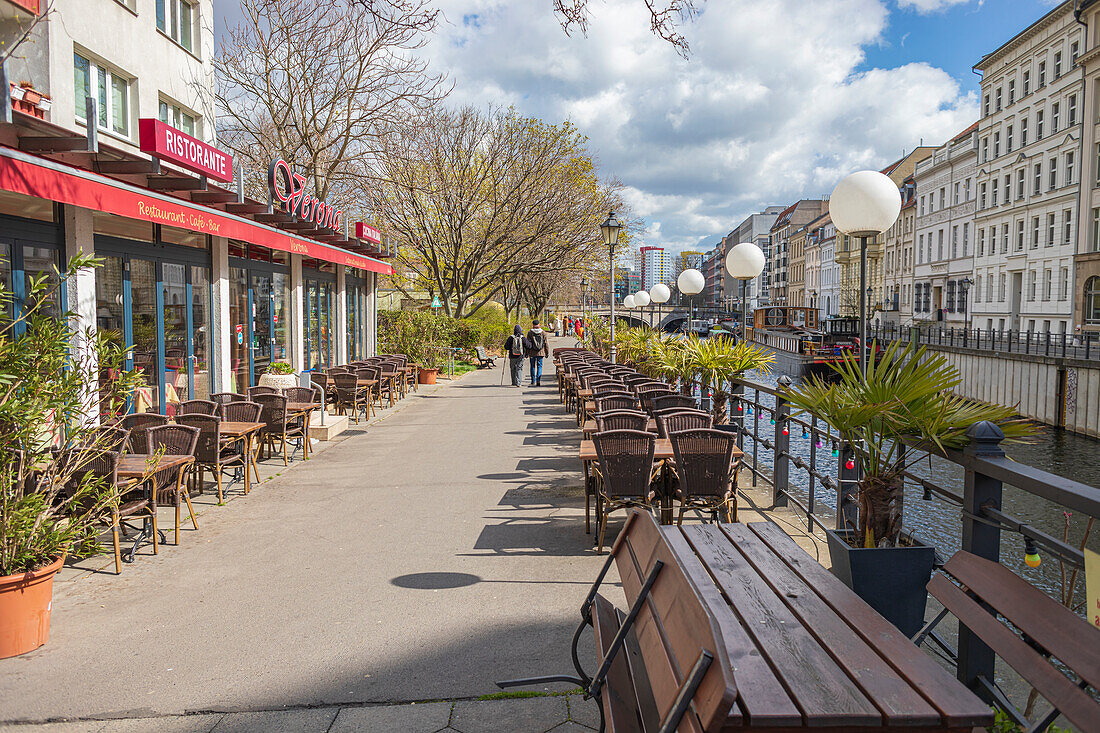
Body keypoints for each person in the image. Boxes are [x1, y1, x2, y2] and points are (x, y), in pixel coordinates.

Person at [525, 319, 550, 387]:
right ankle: (538, 379)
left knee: (532, 367)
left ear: (533, 325)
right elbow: (546, 344)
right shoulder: (543, 333)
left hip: (532, 352)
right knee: (539, 366)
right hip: (540, 353)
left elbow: (528, 344)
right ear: (539, 325)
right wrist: (547, 352)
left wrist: (526, 353)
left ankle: (533, 381)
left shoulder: (530, 333)